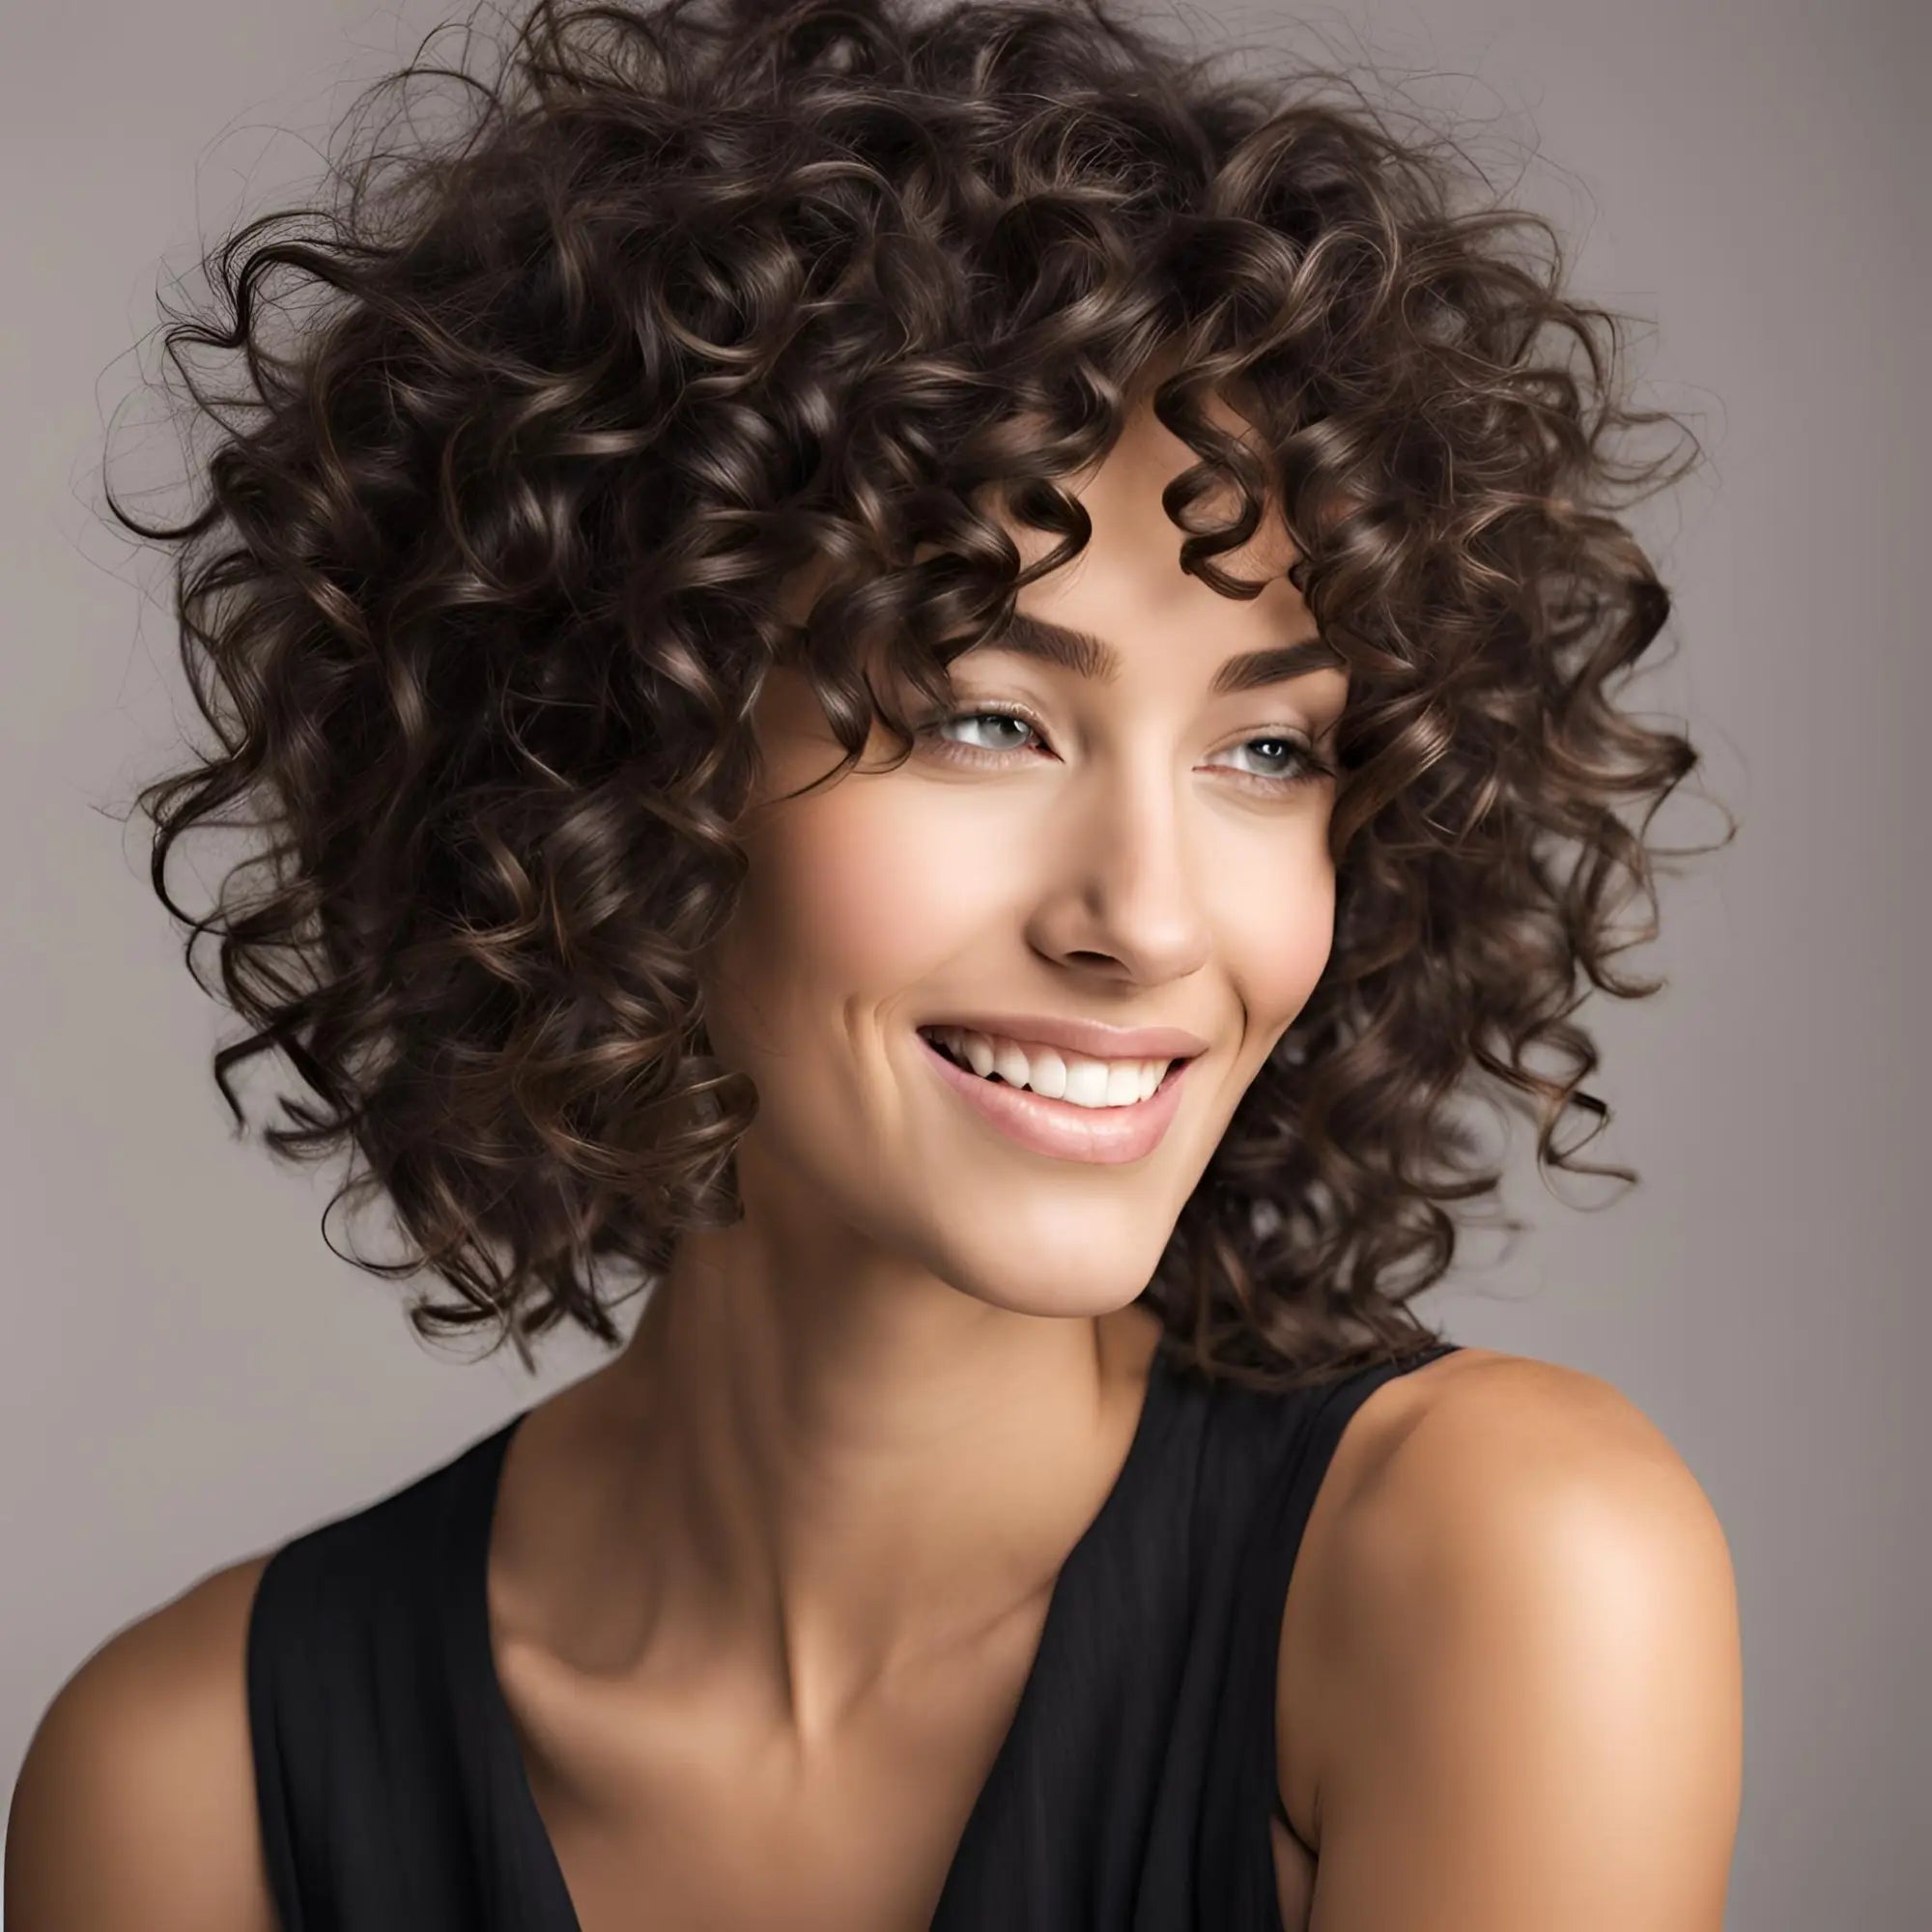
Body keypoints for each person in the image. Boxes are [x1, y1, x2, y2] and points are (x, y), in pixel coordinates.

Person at [6, 0, 1743, 1926]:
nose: (1148, 918)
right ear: (608, 748)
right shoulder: (191, 1792)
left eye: (1267, 751)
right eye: (983, 717)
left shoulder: (1491, 1569)